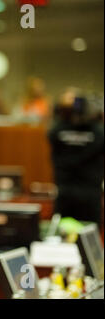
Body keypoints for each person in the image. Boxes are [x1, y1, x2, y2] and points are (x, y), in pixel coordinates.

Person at [48, 88, 104, 226]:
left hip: (77, 192)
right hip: (81, 192)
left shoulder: (58, 130)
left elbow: (50, 135)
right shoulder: (98, 132)